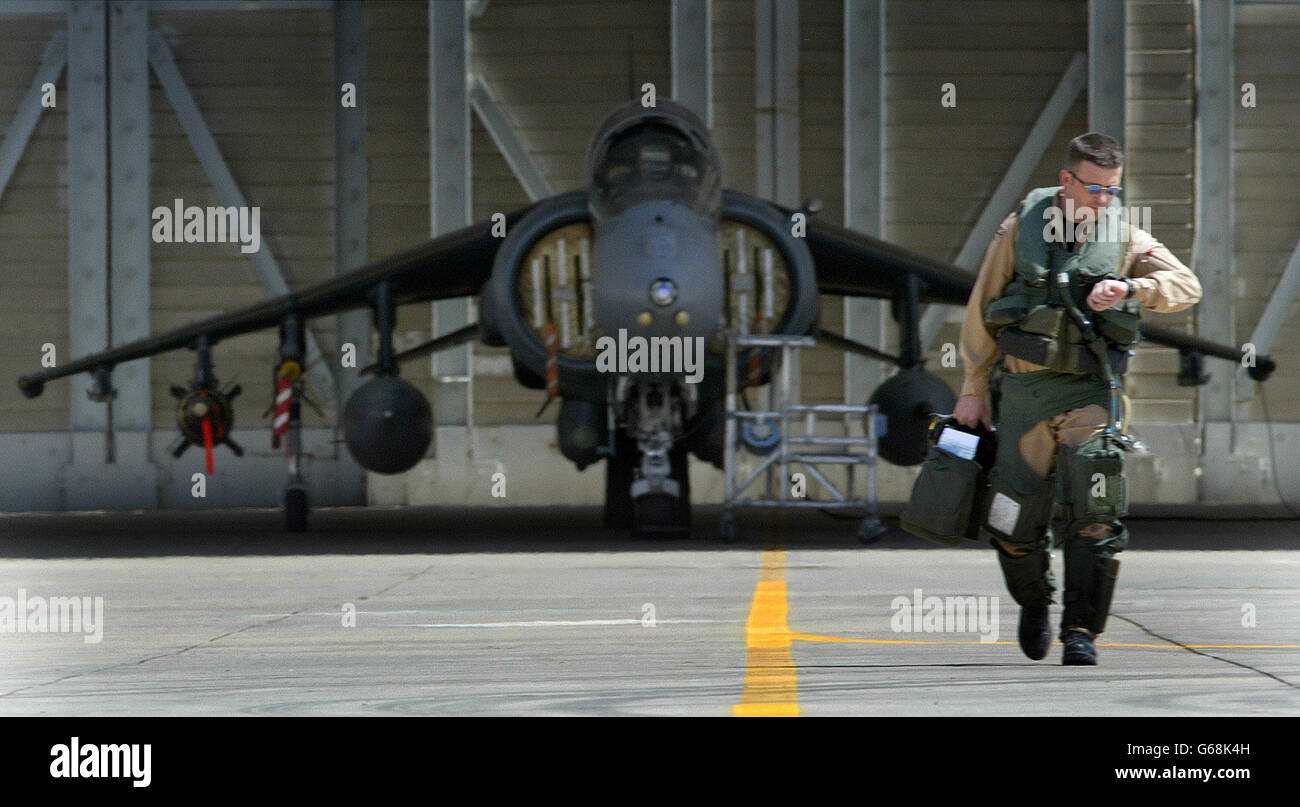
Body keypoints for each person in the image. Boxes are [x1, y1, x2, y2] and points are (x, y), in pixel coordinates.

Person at [954, 133, 1202, 664]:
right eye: (1094, 188)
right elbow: (983, 306)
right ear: (1066, 181)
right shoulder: (1019, 230)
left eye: (1113, 190)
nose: (1103, 200)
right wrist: (973, 388)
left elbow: (1186, 286)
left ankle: (1081, 631)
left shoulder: (1125, 237)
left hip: (1089, 397)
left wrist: (1129, 289)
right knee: (1011, 520)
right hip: (1023, 393)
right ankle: (1034, 601)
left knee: (1097, 514)